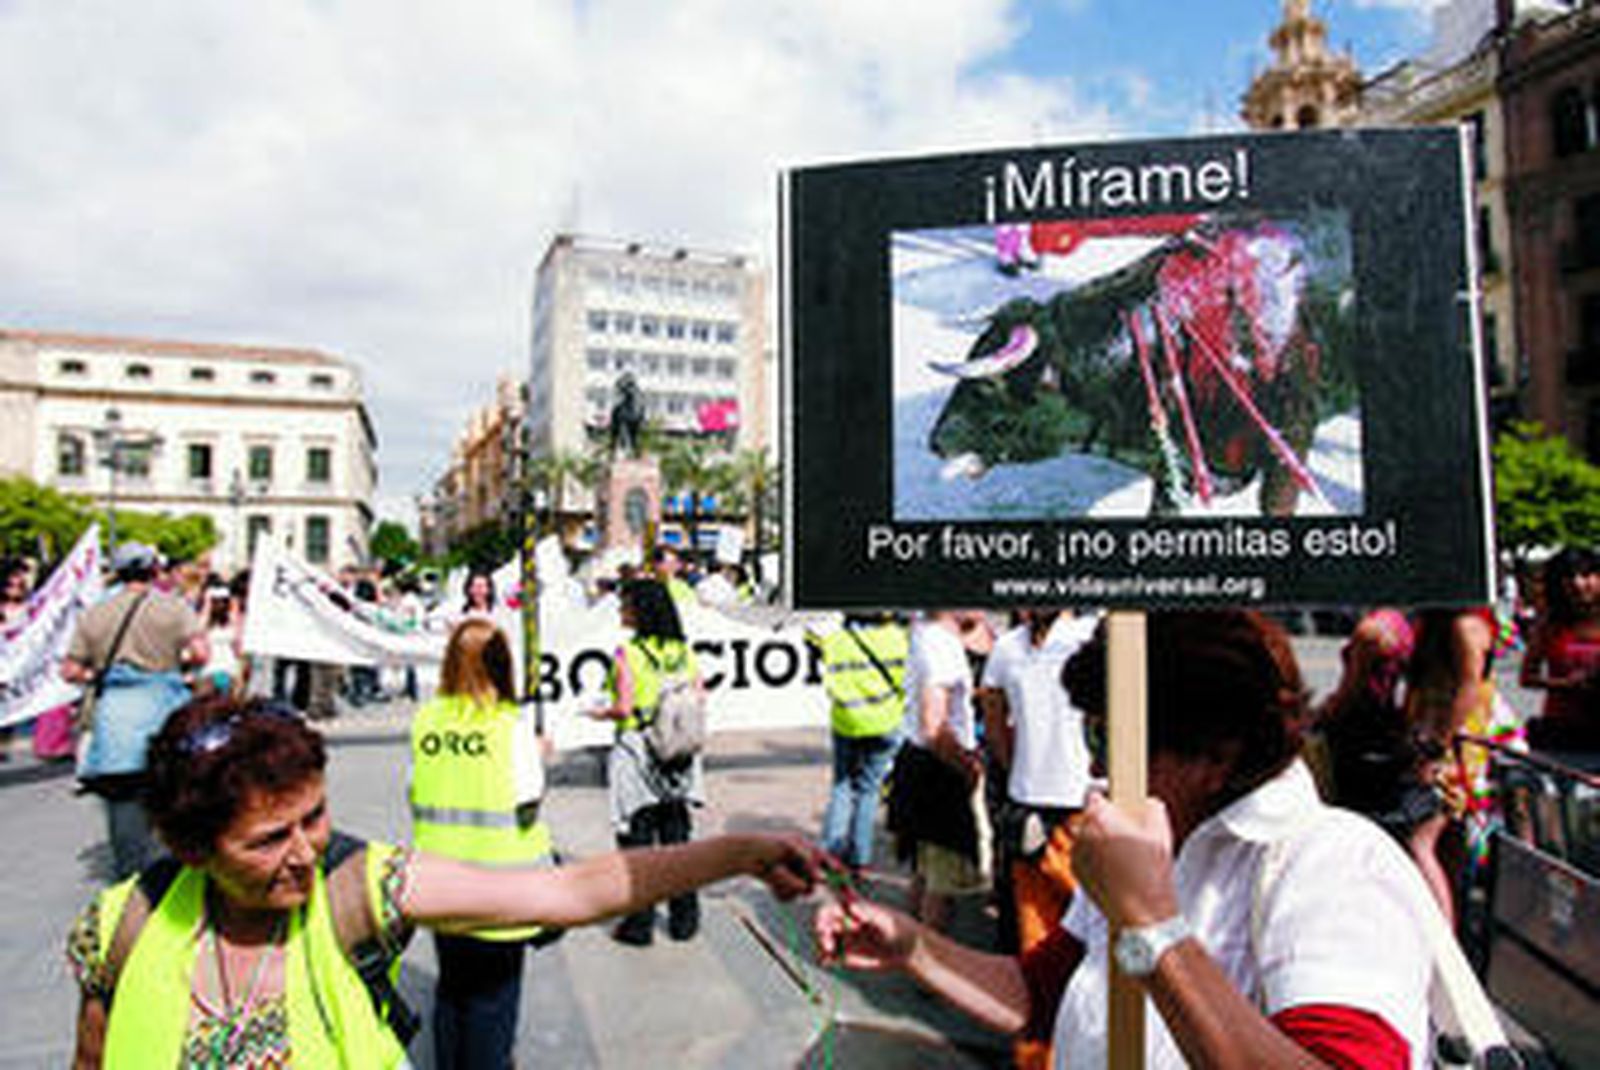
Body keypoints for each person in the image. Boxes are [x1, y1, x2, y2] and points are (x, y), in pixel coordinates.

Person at [818, 611, 1437, 1069]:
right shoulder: (1155, 838)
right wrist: (913, 948)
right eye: (1092, 739)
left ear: (1214, 755)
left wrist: (1150, 921)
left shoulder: (1334, 865)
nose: (1098, 769)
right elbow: (1042, 992)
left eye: (1108, 740)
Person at [66, 696, 820, 1068]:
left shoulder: (359, 887)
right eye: (268, 839)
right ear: (193, 848)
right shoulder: (120, 929)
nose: (305, 851)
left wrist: (740, 852)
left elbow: (566, 893)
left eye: (315, 817)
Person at [409, 618, 554, 1070]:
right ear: (501, 665)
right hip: (500, 888)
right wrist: (540, 755)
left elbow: (414, 790)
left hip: (437, 881)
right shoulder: (509, 724)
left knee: (451, 989)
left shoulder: (427, 718)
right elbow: (528, 796)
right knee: (492, 1002)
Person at [62, 542, 209, 878]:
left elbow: (70, 670)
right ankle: (173, 873)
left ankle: (130, 881)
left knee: (122, 803)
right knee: (172, 792)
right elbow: (200, 653)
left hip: (116, 717)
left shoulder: (95, 613)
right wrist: (177, 665)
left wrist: (98, 674)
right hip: (164, 708)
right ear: (155, 571)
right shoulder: (174, 608)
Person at [590, 578, 706, 945]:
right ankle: (684, 919)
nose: (622, 611)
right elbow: (700, 695)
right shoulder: (683, 652)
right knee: (677, 838)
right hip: (678, 752)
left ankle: (639, 924)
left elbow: (623, 707)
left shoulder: (628, 653)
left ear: (640, 611)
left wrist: (598, 713)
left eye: (626, 605)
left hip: (637, 750)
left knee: (637, 839)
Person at [898, 610, 991, 932]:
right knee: (943, 885)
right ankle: (931, 963)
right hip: (939, 771)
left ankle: (911, 947)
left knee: (924, 872)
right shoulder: (942, 647)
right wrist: (968, 768)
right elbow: (934, 726)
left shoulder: (926, 634)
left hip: (920, 763)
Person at [813, 612, 909, 875]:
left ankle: (831, 854)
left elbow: (809, 630)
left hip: (847, 722)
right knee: (869, 789)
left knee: (842, 786)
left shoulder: (836, 639)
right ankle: (860, 857)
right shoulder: (899, 638)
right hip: (887, 722)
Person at [1519, 546, 1600, 749]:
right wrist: (1565, 684)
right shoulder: (1550, 623)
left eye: (1586, 575)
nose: (1578, 584)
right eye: (1569, 577)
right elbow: (1527, 678)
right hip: (1562, 730)